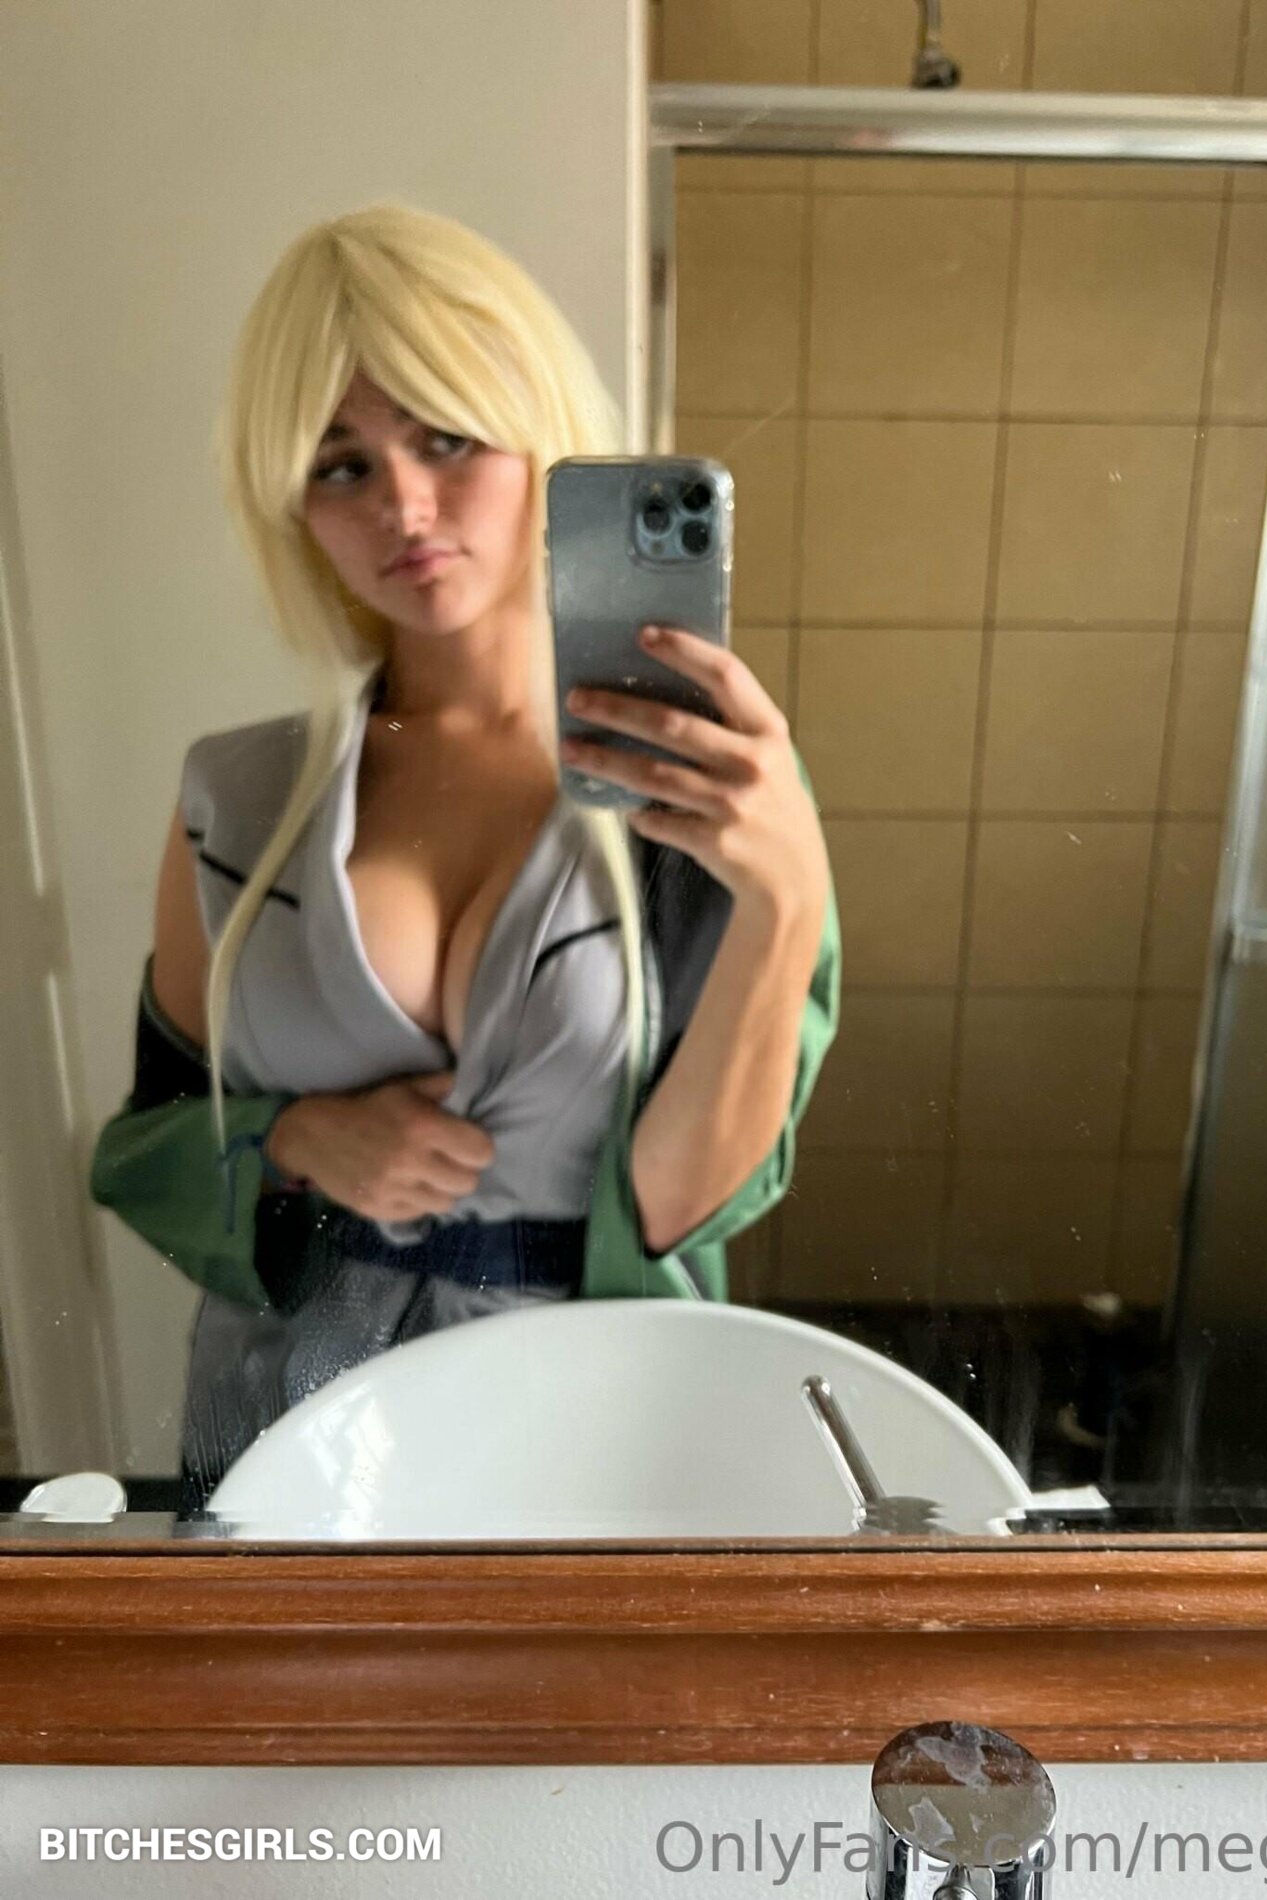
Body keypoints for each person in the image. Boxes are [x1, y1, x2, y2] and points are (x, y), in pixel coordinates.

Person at [88, 200, 841, 1508]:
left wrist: (789, 897)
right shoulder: (237, 803)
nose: (405, 504)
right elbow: (149, 1149)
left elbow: (678, 1206)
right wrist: (294, 1142)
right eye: (341, 465)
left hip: (594, 1434)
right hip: (293, 1434)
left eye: (446, 436)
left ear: (541, 432)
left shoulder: (701, 789)